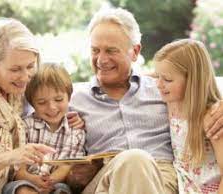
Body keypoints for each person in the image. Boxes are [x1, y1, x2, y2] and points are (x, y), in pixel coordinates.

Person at [67, 8, 223, 194]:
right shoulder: (72, 100)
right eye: (95, 50)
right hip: (104, 180)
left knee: (137, 162)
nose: (101, 60)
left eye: (111, 50)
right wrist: (73, 176)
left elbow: (200, 90)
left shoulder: (163, 90)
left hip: (162, 178)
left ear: (135, 51)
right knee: (134, 160)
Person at [0, 18, 81, 194]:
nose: (26, 76)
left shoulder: (20, 95)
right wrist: (8, 157)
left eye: (30, 66)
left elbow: (52, 99)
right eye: (15, 69)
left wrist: (73, 119)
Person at [3, 63, 86, 194]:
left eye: (58, 99)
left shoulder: (76, 132)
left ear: (69, 97)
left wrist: (49, 181)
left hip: (56, 183)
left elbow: (67, 165)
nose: (52, 107)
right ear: (32, 103)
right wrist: (33, 179)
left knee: (62, 191)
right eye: (42, 102)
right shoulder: (25, 126)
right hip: (25, 181)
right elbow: (18, 168)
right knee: (21, 189)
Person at [154, 39, 223, 193]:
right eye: (158, 76)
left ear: (192, 81)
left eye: (167, 79)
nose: (158, 84)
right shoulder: (172, 103)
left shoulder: (212, 117)